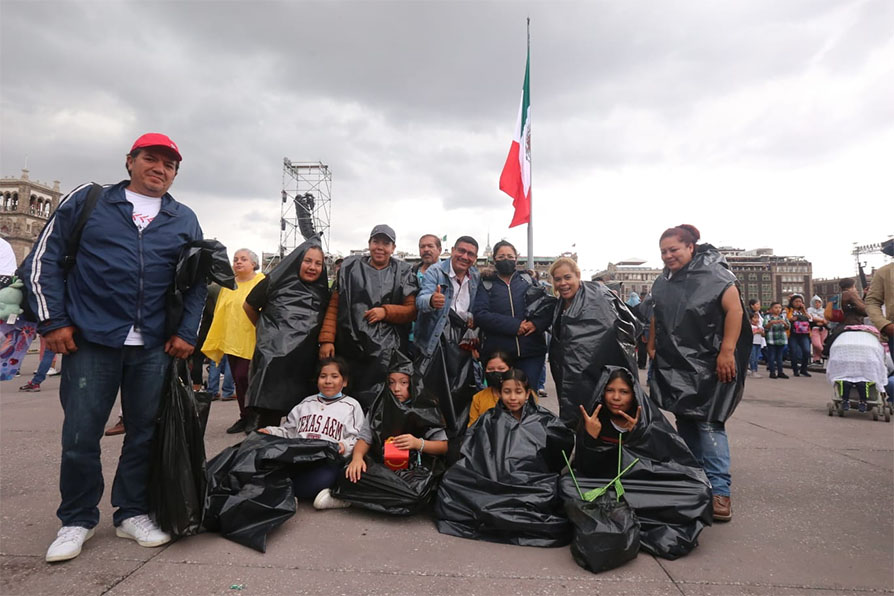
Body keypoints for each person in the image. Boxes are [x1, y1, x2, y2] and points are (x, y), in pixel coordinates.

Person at [19, 133, 205, 562]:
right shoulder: (90, 200)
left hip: (154, 345)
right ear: (130, 161)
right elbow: (45, 259)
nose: (160, 169)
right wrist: (53, 321)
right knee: (81, 434)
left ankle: (132, 512)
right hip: (91, 340)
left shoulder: (184, 218)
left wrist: (187, 333)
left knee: (145, 433)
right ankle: (76, 519)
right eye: (151, 159)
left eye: (169, 165)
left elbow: (197, 282)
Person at [647, 225, 750, 523]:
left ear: (690, 247)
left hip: (710, 363)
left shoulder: (716, 274)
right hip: (676, 363)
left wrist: (727, 350)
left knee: (709, 423)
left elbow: (735, 310)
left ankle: (720, 491)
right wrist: (652, 345)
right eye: (663, 251)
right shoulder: (664, 281)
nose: (668, 256)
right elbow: (657, 314)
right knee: (686, 420)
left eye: (673, 249)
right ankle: (695, 480)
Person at [568, 366, 712, 559]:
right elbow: (586, 469)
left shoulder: (647, 420)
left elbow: (667, 463)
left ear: (634, 394)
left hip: (642, 486)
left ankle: (619, 517)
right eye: (610, 390)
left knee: (699, 492)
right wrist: (591, 439)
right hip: (605, 485)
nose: (616, 397)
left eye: (624, 392)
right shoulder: (593, 420)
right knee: (567, 486)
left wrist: (640, 437)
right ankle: (628, 516)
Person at [435, 369, 574, 547]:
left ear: (527, 394)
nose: (513, 398)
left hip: (530, 481)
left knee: (555, 491)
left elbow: (560, 450)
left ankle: (497, 512)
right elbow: (474, 449)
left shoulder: (544, 420)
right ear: (500, 393)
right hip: (493, 478)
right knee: (451, 481)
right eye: (507, 392)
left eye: (518, 392)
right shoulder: (489, 418)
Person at [326, 355, 448, 513]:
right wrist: (357, 458)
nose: (396, 388)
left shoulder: (425, 407)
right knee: (349, 473)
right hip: (382, 464)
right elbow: (365, 438)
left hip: (414, 469)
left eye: (403, 383)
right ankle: (378, 498)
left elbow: (443, 447)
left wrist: (418, 443)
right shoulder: (380, 405)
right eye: (391, 382)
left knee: (416, 493)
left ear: (413, 384)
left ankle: (355, 498)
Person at [318, 225, 417, 409]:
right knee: (348, 396)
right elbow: (334, 305)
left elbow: (411, 311)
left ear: (393, 248)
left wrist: (386, 312)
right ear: (369, 243)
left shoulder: (404, 271)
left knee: (383, 402)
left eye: (385, 243)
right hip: (350, 347)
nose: (380, 247)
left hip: (387, 352)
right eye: (376, 242)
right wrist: (327, 339)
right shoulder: (349, 267)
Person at [243, 238, 329, 428]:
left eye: (318, 263)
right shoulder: (274, 281)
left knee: (301, 419)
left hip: (304, 362)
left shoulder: (323, 291)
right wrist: (266, 331)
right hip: (273, 360)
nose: (312, 267)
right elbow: (249, 305)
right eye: (308, 261)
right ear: (297, 260)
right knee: (267, 421)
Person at [258, 356, 364, 506]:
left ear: (344, 381)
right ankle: (287, 493)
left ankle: (291, 493)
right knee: (268, 470)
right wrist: (270, 432)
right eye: (323, 376)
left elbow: (358, 438)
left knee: (322, 480)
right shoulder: (306, 403)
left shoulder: (352, 406)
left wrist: (344, 446)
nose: (328, 381)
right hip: (298, 458)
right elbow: (289, 432)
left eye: (334, 376)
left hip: (327, 462)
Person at [548, 257, 640, 428]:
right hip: (569, 373)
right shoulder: (558, 305)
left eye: (567, 277)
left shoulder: (599, 296)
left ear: (578, 276)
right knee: (576, 418)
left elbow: (623, 327)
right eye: (558, 279)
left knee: (601, 417)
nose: (563, 283)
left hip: (597, 371)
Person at [415, 236, 482, 431]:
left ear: (475, 258)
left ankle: (455, 435)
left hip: (462, 344)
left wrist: (472, 317)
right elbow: (420, 301)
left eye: (470, 254)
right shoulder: (436, 272)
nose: (464, 256)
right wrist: (431, 300)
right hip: (436, 343)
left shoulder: (475, 276)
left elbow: (477, 307)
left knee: (459, 393)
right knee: (433, 395)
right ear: (452, 250)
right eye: (461, 251)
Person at [471, 240, 552, 388]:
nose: (506, 259)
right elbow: (480, 314)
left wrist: (536, 324)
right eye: (501, 257)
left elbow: (546, 307)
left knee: (528, 394)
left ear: (516, 258)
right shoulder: (486, 284)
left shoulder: (528, 280)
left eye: (509, 256)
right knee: (501, 395)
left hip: (531, 351)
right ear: (494, 259)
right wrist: (515, 326)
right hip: (499, 356)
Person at [201, 248, 266, 434]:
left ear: (253, 263)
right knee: (238, 380)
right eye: (236, 259)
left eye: (243, 259)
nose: (238, 262)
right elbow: (221, 312)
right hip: (232, 340)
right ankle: (244, 416)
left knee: (244, 377)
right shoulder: (229, 285)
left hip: (253, 340)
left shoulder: (261, 281)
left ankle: (254, 416)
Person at [468, 351, 513, 427]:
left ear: (510, 369)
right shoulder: (478, 398)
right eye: (490, 369)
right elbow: (472, 428)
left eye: (501, 368)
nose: (495, 372)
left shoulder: (521, 395)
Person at [785, 294, 812, 377]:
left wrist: (804, 311)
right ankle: (795, 370)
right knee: (794, 352)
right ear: (792, 302)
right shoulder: (788, 310)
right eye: (796, 301)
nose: (798, 303)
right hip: (793, 334)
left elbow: (810, 319)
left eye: (800, 301)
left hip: (804, 334)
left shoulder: (803, 311)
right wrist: (791, 319)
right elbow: (785, 318)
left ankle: (804, 369)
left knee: (806, 351)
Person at [764, 302, 790, 379]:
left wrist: (785, 324)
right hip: (771, 339)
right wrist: (771, 323)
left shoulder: (783, 317)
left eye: (779, 308)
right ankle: (772, 372)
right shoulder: (768, 317)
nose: (778, 309)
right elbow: (765, 327)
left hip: (781, 339)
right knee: (772, 356)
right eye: (776, 308)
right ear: (771, 309)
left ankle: (780, 372)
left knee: (780, 356)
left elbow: (788, 327)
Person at [807, 295, 828, 364]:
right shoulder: (810, 310)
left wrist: (820, 320)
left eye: (819, 302)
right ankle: (824, 353)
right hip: (814, 329)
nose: (817, 304)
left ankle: (816, 359)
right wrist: (822, 320)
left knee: (822, 343)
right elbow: (811, 318)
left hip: (824, 329)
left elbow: (827, 320)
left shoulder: (824, 310)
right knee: (816, 344)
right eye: (815, 302)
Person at [748, 312, 764, 378]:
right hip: (752, 343)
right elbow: (750, 334)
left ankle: (755, 370)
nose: (757, 320)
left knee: (757, 358)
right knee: (753, 358)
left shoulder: (759, 326)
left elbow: (763, 335)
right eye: (755, 318)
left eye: (758, 318)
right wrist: (757, 331)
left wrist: (761, 332)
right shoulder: (750, 326)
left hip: (758, 343)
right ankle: (753, 371)